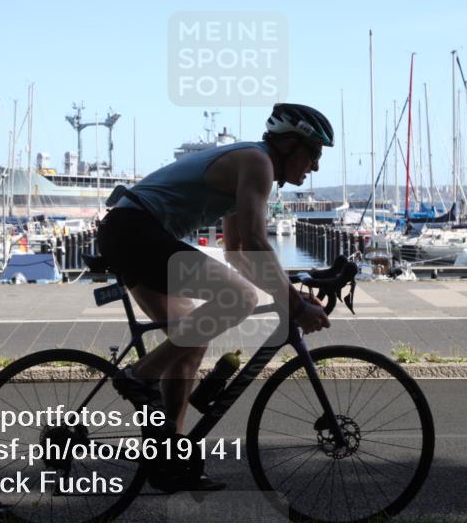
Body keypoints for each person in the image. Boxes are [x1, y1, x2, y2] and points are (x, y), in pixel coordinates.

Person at [96, 103, 333, 492]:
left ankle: (167, 460)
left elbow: (239, 251)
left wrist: (290, 292)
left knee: (191, 338)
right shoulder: (258, 164)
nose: (316, 166)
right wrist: (295, 305)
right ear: (290, 144)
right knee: (238, 298)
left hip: (129, 232)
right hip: (136, 231)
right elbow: (256, 244)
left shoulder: (252, 166)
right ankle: (140, 376)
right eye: (314, 153)